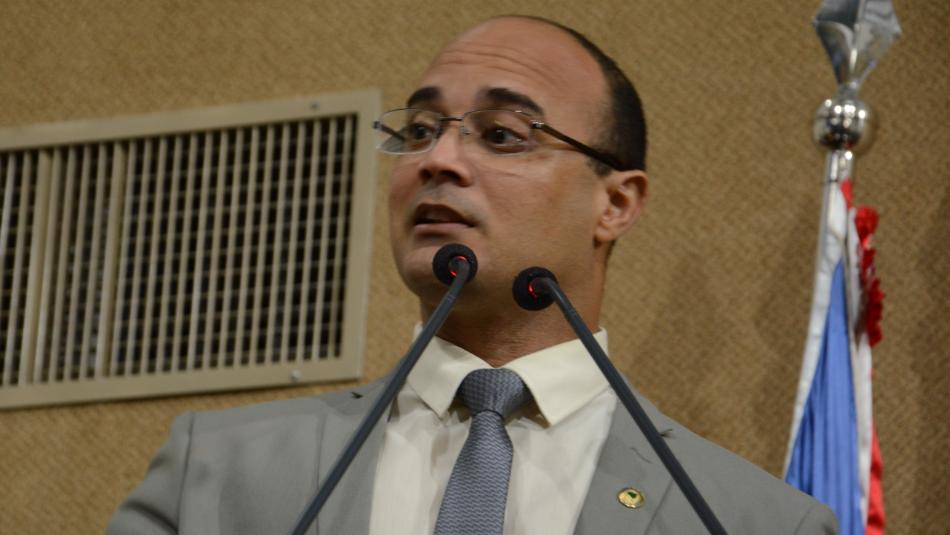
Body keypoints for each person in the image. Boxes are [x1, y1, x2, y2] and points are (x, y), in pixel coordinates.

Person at [108, 15, 838, 534]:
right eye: (419, 131)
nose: (439, 160)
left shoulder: (752, 519)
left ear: (615, 204)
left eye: (501, 135)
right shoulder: (214, 470)